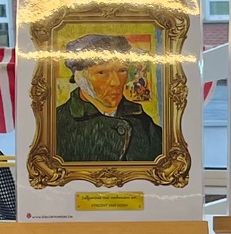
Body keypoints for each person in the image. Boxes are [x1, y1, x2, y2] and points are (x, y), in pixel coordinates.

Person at [53, 34, 164, 165]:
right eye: (102, 72)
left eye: (122, 70)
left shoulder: (142, 120)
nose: (116, 82)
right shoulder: (56, 124)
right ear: (80, 78)